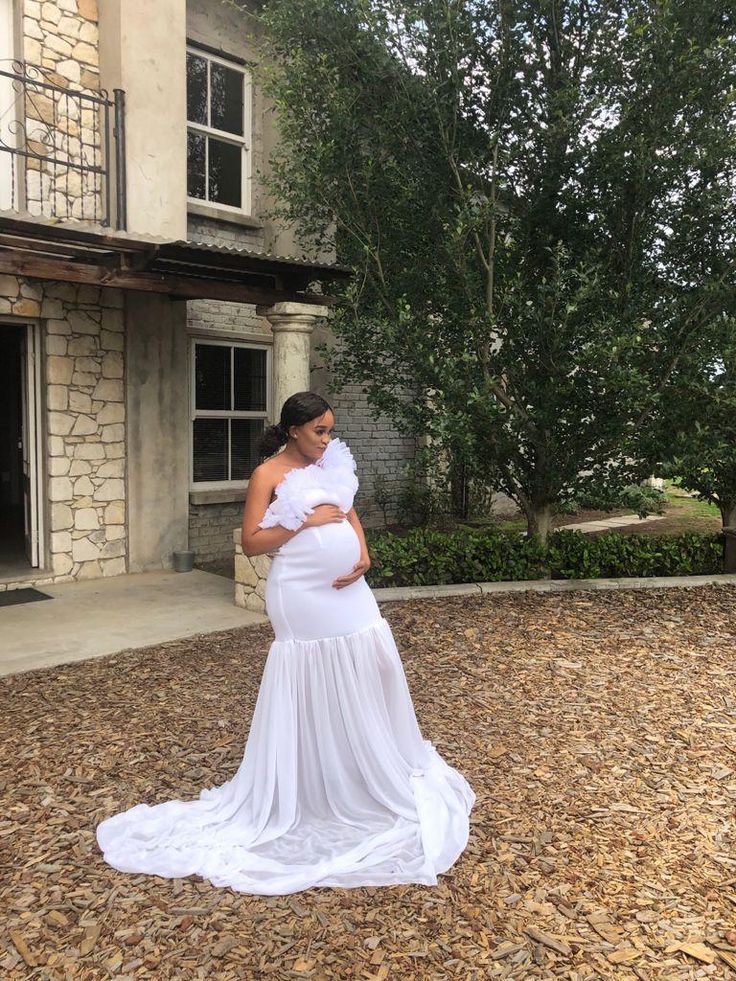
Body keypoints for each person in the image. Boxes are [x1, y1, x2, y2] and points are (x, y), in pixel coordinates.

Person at [96, 392, 474, 895]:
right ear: (293, 429)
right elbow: (252, 541)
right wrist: (302, 520)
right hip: (301, 596)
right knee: (315, 679)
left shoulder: (333, 460)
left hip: (349, 591)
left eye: (330, 430)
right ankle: (315, 781)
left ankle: (366, 764)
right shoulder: (267, 475)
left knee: (373, 662)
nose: (327, 439)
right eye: (319, 430)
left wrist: (362, 551)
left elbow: (348, 509)